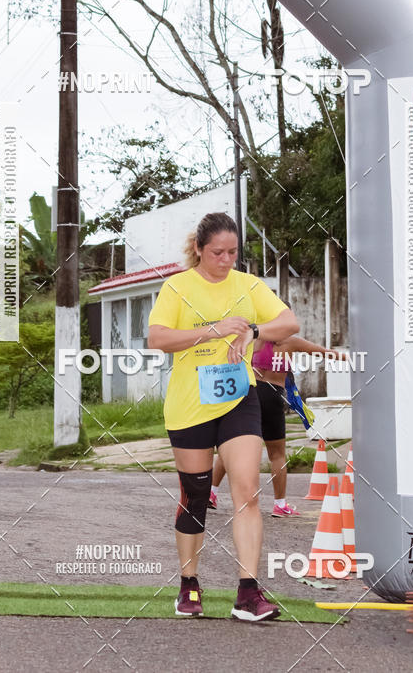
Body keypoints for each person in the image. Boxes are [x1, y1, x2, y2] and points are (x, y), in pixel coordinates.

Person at [148, 212, 299, 622]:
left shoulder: (248, 285)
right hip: (190, 406)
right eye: (217, 252)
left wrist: (254, 328)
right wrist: (213, 330)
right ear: (199, 248)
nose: (226, 260)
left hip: (239, 401)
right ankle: (189, 586)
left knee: (247, 491)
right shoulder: (177, 287)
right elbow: (158, 338)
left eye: (232, 252)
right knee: (195, 498)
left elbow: (289, 321)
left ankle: (248, 594)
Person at [210, 335, 346, 516]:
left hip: (248, 393)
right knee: (277, 454)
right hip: (272, 396)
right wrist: (350, 358)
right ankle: (280, 504)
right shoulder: (291, 341)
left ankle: (211, 493)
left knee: (231, 447)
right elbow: (322, 352)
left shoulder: (252, 339)